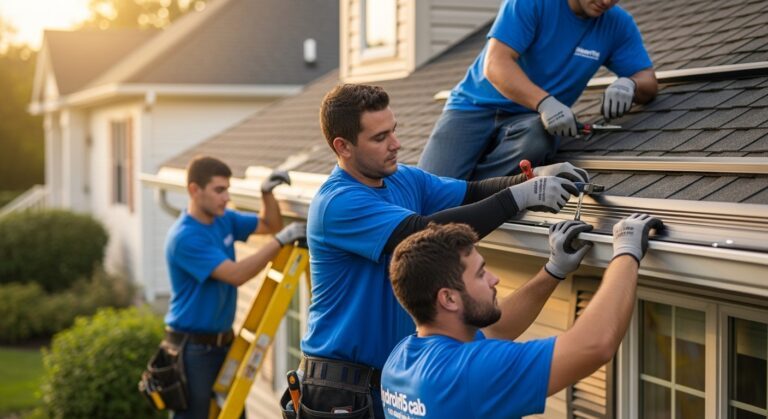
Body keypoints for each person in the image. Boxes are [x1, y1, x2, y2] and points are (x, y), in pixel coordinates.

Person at [297, 84, 589, 418]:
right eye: (379, 138)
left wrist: (531, 178)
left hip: (394, 382)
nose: (396, 144)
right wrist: (520, 197)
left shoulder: (404, 179)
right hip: (342, 394)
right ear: (343, 146)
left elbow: (472, 192)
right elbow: (423, 234)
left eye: (393, 131)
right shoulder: (337, 202)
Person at [381, 214, 663, 418]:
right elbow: (594, 344)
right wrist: (626, 253)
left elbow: (497, 328)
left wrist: (554, 269)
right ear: (449, 298)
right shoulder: (468, 373)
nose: (494, 279)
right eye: (480, 274)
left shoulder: (401, 360)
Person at [418, 0, 658, 180]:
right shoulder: (532, 2)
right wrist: (545, 103)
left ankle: (472, 195)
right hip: (472, 109)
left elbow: (647, 79)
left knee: (537, 139)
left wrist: (630, 83)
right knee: (428, 191)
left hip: (531, 121)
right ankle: (460, 194)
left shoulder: (617, 24)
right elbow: (496, 64)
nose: (606, 1)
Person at [162, 156, 306, 418]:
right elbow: (236, 274)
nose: (226, 197)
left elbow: (269, 224)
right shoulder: (185, 237)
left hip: (223, 343)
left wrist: (266, 194)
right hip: (193, 350)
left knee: (232, 413)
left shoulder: (223, 219)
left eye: (227, 189)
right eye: (219, 190)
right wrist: (281, 241)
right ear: (194, 190)